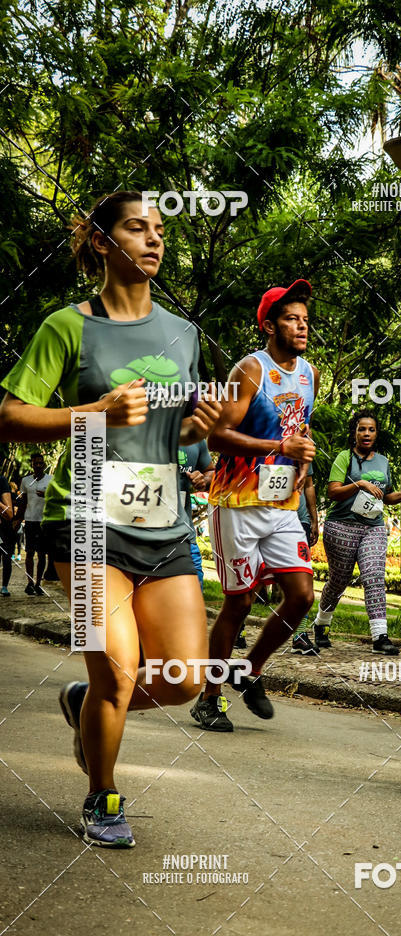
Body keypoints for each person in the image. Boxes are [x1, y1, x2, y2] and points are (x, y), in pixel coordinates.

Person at [0, 190, 222, 847]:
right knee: (118, 670)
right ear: (102, 242)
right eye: (137, 228)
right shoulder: (66, 326)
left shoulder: (183, 335)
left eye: (160, 230)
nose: (154, 240)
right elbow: (10, 416)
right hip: (87, 520)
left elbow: (177, 437)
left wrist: (200, 435)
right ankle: (103, 793)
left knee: (185, 678)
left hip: (164, 523)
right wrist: (91, 413)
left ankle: (84, 704)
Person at [191, 279, 318, 732]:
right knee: (239, 603)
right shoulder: (250, 370)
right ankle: (209, 698)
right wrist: (277, 443)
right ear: (269, 324)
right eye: (291, 319)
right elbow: (217, 437)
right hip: (236, 503)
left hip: (281, 504)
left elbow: (298, 430)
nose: (301, 327)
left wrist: (302, 455)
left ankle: (250, 670)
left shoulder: (309, 373)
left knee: (302, 595)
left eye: (304, 319)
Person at [313, 411, 401, 654]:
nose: (366, 433)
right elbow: (333, 492)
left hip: (373, 527)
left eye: (371, 429)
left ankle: (380, 636)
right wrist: (359, 484)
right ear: (355, 433)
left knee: (373, 575)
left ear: (376, 433)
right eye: (361, 429)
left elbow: (386, 497)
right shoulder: (344, 457)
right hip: (342, 525)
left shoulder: (383, 461)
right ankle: (321, 624)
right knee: (339, 580)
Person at [178, 443, 215, 589]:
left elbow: (210, 471)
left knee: (193, 602)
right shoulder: (134, 428)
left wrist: (203, 480)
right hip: (136, 538)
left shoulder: (195, 438)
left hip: (184, 538)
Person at [292, 464, 319, 653]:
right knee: (256, 577)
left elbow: (309, 485)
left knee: (303, 577)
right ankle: (240, 630)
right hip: (265, 516)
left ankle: (299, 635)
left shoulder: (304, 441)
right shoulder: (262, 435)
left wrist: (314, 519)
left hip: (299, 521)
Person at [16, 452, 51, 595]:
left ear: (43, 464)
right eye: (35, 463)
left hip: (44, 521)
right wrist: (18, 519)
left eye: (40, 463)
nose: (38, 465)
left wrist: (47, 495)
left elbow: (57, 499)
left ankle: (38, 583)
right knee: (29, 552)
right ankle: (29, 583)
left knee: (42, 554)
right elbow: (23, 501)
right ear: (31, 464)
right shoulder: (25, 481)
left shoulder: (51, 480)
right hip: (30, 520)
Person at [0, 471, 14, 595]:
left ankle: (4, 586)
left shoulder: (1, 480)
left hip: (4, 530)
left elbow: (9, 514)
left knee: (6, 558)